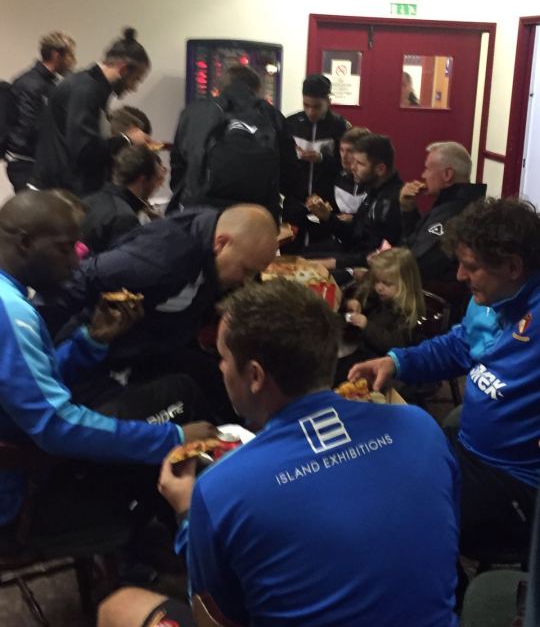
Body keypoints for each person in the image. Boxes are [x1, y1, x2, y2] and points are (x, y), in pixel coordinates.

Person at [98, 278, 460, 627]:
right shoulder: (421, 426)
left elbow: (214, 618)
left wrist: (186, 512)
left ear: (255, 376)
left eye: (223, 357)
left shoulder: (220, 489)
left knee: (119, 607)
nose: (220, 367)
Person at [0, 190, 215, 533]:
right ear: (25, 243)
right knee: (174, 403)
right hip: (19, 490)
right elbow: (55, 426)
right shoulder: (11, 313)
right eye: (65, 249)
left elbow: (33, 385)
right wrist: (171, 438)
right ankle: (162, 537)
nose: (74, 263)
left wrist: (92, 341)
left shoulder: (8, 298)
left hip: (19, 445)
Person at [349, 198, 540, 558]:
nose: (460, 276)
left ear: (513, 267)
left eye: (471, 267)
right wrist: (397, 362)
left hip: (515, 480)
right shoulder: (488, 300)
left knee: (395, 515)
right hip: (470, 449)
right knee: (377, 461)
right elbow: (458, 346)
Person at [44, 203, 279, 375]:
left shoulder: (209, 236)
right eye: (246, 270)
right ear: (221, 243)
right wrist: (36, 351)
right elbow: (82, 279)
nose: (246, 282)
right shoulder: (165, 258)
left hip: (156, 345)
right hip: (100, 359)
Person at [168, 65, 303, 223]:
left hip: (202, 213)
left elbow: (178, 167)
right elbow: (289, 174)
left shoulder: (194, 112)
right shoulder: (271, 115)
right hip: (256, 215)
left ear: (219, 89)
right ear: (256, 90)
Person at [32, 27, 150, 195]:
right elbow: (84, 150)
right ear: (123, 69)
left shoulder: (90, 85)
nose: (134, 87)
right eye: (136, 79)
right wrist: (127, 139)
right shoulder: (86, 90)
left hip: (62, 188)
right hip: (60, 194)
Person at [305, 134, 403, 270]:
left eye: (360, 164)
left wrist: (333, 263)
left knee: (302, 268)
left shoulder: (392, 201)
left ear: (380, 169)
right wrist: (328, 217)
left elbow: (377, 255)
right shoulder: (375, 190)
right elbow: (354, 236)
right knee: (297, 258)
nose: (353, 167)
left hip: (365, 269)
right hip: (351, 253)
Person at [400, 141, 486, 294]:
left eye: (428, 169)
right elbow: (418, 241)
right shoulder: (452, 204)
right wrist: (409, 210)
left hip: (431, 297)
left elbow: (419, 264)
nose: (423, 175)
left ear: (447, 175)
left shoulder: (454, 213)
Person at [335, 247, 425, 384]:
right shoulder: (377, 295)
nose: (379, 287)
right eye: (377, 281)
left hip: (379, 363)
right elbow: (358, 299)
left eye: (387, 284)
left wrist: (366, 326)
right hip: (358, 347)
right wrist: (352, 303)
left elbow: (395, 345)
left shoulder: (407, 313)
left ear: (405, 283)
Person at [5, 32, 76, 192]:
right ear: (56, 55)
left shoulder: (48, 83)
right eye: (70, 56)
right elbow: (31, 126)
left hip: (36, 162)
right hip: (26, 164)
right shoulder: (31, 84)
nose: (74, 61)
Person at [81, 143, 164, 253]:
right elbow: (127, 261)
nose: (158, 186)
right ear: (143, 181)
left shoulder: (86, 202)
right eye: (156, 180)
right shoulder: (125, 218)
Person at [287, 74, 350, 202]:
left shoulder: (340, 126)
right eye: (306, 105)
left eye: (317, 107)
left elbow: (349, 165)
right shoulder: (291, 123)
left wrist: (322, 159)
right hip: (295, 199)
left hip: (329, 200)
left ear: (328, 101)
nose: (311, 112)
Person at [332, 126, 370, 217]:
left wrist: (353, 220)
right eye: (341, 150)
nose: (344, 156)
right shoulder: (338, 177)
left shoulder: (375, 184)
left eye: (350, 151)